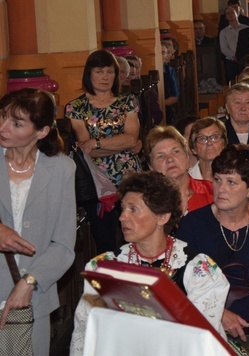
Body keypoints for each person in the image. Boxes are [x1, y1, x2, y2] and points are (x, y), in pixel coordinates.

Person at [71, 171, 230, 355]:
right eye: (122, 208)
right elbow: (86, 330)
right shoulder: (104, 266)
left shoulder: (198, 268)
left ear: (162, 217)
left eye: (133, 209)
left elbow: (199, 336)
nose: (122, 217)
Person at [176, 144, 249, 354]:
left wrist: (231, 316)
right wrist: (218, 314)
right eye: (217, 180)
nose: (221, 189)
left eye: (231, 182)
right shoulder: (194, 223)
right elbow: (182, 279)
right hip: (204, 319)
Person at [0, 89, 76, 356]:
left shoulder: (63, 169)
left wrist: (30, 281)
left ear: (41, 131)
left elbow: (64, 244)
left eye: (16, 123)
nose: (3, 127)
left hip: (32, 299)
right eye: (2, 117)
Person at [66, 50, 142, 252]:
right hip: (96, 184)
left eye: (110, 72)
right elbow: (86, 149)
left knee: (135, 238)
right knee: (106, 244)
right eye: (99, 71)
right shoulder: (76, 107)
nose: (105, 77)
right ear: (89, 74)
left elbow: (131, 138)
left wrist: (97, 143)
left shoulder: (128, 102)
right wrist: (122, 144)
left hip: (129, 179)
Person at [144, 126, 213, 214]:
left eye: (176, 152)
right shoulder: (147, 202)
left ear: (187, 157)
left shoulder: (212, 191)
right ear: (151, 167)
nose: (170, 159)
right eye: (160, 156)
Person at [223, 82, 249, 147]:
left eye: (248, 102)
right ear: (227, 107)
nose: (243, 108)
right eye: (237, 102)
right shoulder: (220, 132)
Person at [188, 117, 228, 182]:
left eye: (215, 137)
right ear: (193, 149)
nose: (209, 143)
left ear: (224, 144)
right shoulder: (186, 181)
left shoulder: (235, 178)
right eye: (202, 139)